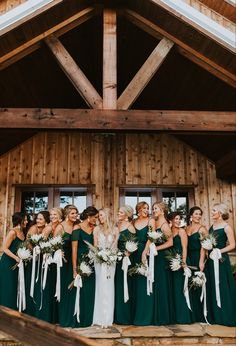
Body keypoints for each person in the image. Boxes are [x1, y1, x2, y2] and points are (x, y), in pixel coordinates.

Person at [142, 202, 174, 325]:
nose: (153, 210)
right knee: (154, 283)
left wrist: (156, 249)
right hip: (153, 256)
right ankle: (154, 313)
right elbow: (150, 239)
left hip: (161, 257)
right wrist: (146, 251)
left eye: (155, 208)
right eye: (153, 208)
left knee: (161, 284)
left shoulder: (165, 225)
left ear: (162, 210)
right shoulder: (154, 222)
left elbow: (170, 243)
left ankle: (163, 316)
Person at [206, 203, 236, 326]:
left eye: (214, 210)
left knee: (222, 285)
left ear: (220, 212)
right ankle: (216, 316)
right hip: (211, 260)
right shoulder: (212, 226)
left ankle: (226, 316)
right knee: (213, 285)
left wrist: (219, 251)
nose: (212, 212)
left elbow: (233, 244)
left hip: (220, 260)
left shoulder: (226, 227)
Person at [71, 206, 98, 327]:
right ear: (88, 217)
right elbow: (74, 249)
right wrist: (75, 269)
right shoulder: (77, 228)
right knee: (81, 290)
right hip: (80, 262)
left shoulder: (95, 229)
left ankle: (90, 318)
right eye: (95, 217)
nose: (96, 220)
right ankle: (80, 319)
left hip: (93, 262)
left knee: (91, 290)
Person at [92, 208, 119, 328]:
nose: (99, 217)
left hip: (111, 262)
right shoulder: (96, 229)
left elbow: (115, 247)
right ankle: (99, 317)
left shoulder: (115, 230)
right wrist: (101, 256)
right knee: (100, 286)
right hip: (99, 261)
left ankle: (108, 318)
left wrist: (110, 256)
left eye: (101, 215)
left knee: (109, 286)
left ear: (107, 215)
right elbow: (95, 246)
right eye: (99, 216)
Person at [54, 205, 79, 327]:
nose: (75, 215)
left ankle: (71, 316)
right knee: (64, 288)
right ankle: (63, 318)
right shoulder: (61, 226)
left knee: (72, 288)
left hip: (73, 259)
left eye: (76, 213)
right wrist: (58, 251)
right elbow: (54, 243)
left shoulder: (75, 226)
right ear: (67, 214)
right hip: (62, 261)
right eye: (73, 213)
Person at [168, 211, 192, 324]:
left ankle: (183, 316)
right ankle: (173, 316)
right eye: (176, 219)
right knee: (172, 289)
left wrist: (183, 262)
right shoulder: (169, 231)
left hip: (180, 262)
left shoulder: (182, 231)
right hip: (170, 262)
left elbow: (184, 247)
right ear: (171, 220)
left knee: (180, 288)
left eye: (179, 219)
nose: (178, 221)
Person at [0, 212, 27, 309]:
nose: (27, 222)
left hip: (17, 263)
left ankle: (13, 310)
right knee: (8, 286)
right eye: (25, 220)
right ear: (20, 220)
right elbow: (4, 248)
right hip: (7, 262)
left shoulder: (23, 232)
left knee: (15, 286)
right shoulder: (13, 232)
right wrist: (15, 257)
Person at [133, 201, 154, 325]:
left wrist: (145, 251)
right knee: (135, 283)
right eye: (144, 208)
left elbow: (151, 237)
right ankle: (135, 314)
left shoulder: (151, 221)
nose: (146, 210)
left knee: (145, 281)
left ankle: (145, 315)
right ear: (139, 209)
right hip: (134, 251)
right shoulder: (134, 222)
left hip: (145, 252)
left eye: (147, 208)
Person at [114, 205, 136, 325]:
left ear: (127, 215)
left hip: (126, 260)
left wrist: (127, 253)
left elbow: (133, 243)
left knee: (125, 285)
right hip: (116, 259)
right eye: (118, 212)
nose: (119, 213)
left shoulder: (130, 227)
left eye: (121, 212)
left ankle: (125, 316)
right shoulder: (117, 226)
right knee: (117, 286)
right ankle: (117, 315)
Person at [186, 206, 208, 322]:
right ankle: (192, 314)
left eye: (200, 214)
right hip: (188, 259)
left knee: (199, 284)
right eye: (196, 214)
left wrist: (201, 261)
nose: (198, 216)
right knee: (190, 285)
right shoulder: (186, 228)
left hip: (198, 257)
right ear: (191, 215)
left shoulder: (202, 229)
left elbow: (204, 247)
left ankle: (201, 314)